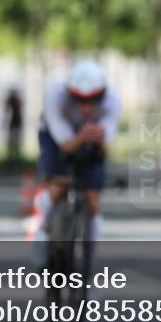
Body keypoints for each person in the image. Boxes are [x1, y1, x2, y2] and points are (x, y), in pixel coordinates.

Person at [36, 61, 123, 268]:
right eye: (80, 101)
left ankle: (89, 268)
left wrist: (100, 141)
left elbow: (103, 150)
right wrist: (81, 138)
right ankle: (43, 233)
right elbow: (65, 146)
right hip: (55, 137)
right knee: (58, 187)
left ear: (102, 96)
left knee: (93, 200)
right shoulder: (54, 95)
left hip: (90, 139)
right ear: (69, 95)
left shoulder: (113, 101)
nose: (86, 107)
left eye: (93, 101)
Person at [4, 88, 23, 167]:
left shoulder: (15, 102)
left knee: (14, 143)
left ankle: (14, 159)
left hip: (15, 124)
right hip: (14, 124)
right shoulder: (14, 102)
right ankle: (13, 159)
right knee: (13, 143)